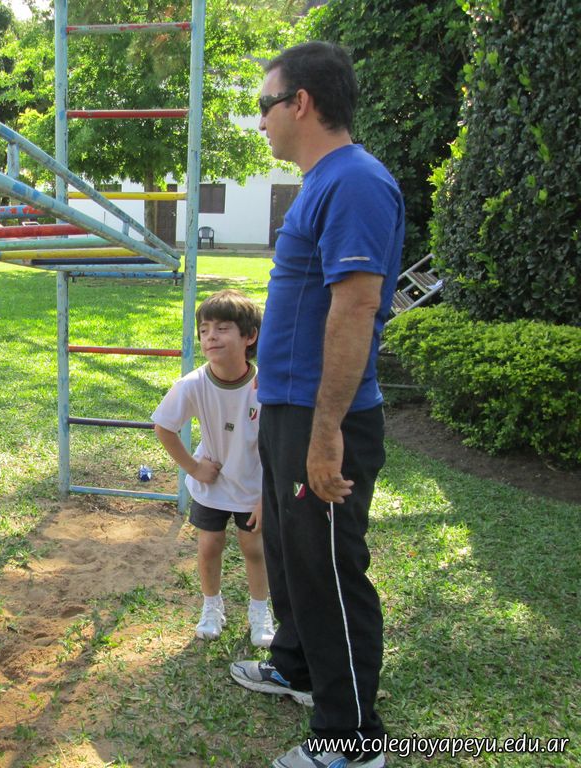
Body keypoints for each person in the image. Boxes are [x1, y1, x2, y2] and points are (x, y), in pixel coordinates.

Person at [228, 42, 403, 768]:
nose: (260, 121)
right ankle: (296, 666)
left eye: (264, 105)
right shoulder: (322, 182)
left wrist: (326, 430)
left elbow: (356, 307)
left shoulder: (355, 182)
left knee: (329, 570)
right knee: (292, 553)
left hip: (324, 416)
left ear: (299, 103)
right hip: (290, 406)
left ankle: (352, 740)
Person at [152, 289, 275, 648]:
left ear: (249, 336)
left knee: (254, 548)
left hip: (254, 486)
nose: (211, 337)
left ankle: (260, 612)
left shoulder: (265, 387)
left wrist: (267, 496)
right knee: (209, 546)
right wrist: (193, 468)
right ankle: (211, 608)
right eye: (204, 330)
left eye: (222, 328)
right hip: (213, 485)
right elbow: (164, 427)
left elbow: (280, 447)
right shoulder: (193, 384)